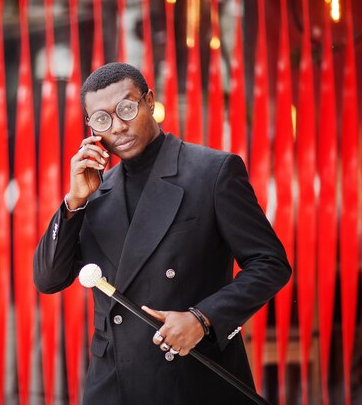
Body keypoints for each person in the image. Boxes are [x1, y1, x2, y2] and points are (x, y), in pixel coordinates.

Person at [33, 62, 291, 404]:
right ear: (92, 128)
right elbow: (48, 280)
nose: (119, 126)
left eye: (126, 108)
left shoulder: (212, 171)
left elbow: (270, 264)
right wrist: (73, 201)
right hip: (112, 384)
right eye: (102, 119)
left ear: (149, 102)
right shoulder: (94, 192)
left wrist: (203, 319)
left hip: (190, 376)